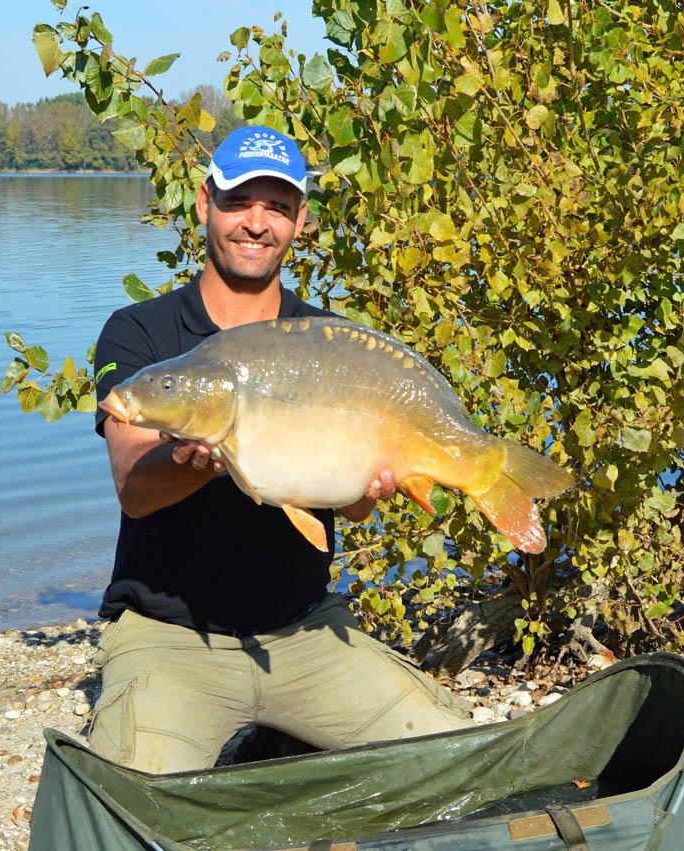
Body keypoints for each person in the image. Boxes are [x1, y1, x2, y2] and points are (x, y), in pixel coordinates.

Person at [88, 125, 471, 774]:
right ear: (205, 203)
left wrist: (374, 486)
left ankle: (285, 738)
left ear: (299, 221)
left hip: (304, 631)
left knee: (449, 757)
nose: (256, 223)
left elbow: (349, 510)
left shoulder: (330, 341)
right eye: (239, 202)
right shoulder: (142, 335)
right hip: (171, 639)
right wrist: (196, 459)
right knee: (134, 800)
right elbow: (133, 483)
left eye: (277, 207)